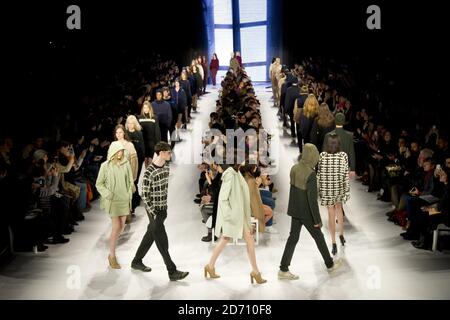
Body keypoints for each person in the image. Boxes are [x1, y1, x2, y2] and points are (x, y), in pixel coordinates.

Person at [279, 144, 341, 280]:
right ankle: (330, 265)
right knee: (319, 238)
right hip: (307, 213)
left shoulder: (294, 168)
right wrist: (317, 220)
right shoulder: (311, 174)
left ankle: (283, 269)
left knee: (293, 239)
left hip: (295, 210)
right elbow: (312, 201)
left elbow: (293, 191)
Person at [204, 152, 267, 285]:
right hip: (233, 216)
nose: (245, 161)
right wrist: (230, 215)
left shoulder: (237, 174)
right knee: (225, 239)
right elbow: (223, 199)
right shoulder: (230, 176)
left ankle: (255, 272)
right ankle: (209, 266)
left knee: (247, 239)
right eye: (242, 159)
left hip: (241, 216)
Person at [131, 142, 189, 281]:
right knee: (162, 241)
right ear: (161, 153)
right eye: (169, 152)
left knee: (150, 235)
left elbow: (164, 189)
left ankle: (136, 261)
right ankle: (172, 271)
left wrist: (164, 208)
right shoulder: (149, 171)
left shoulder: (166, 167)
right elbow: (144, 194)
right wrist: (153, 212)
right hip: (154, 210)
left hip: (163, 208)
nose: (171, 154)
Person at [96, 141, 134, 269]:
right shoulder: (105, 166)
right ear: (112, 151)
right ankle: (112, 256)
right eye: (118, 151)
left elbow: (130, 181)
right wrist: (108, 194)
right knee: (115, 227)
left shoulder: (126, 164)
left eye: (122, 151)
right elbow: (99, 184)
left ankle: (112, 249)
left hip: (124, 200)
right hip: (112, 201)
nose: (120, 153)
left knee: (121, 227)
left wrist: (129, 194)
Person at [318, 134, 350, 255]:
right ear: (338, 143)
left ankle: (333, 242)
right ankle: (341, 234)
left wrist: (320, 190)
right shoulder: (343, 156)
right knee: (339, 209)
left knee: (330, 214)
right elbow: (345, 175)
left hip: (327, 189)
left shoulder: (322, 156)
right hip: (339, 188)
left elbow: (320, 174)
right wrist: (346, 191)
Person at [139, 101, 161, 168]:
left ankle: (149, 173)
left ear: (150, 108)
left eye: (147, 108)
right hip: (143, 143)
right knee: (145, 160)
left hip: (152, 142)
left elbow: (157, 132)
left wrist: (158, 144)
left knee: (150, 160)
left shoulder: (154, 118)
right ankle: (147, 174)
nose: (145, 109)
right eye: (144, 108)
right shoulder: (140, 118)